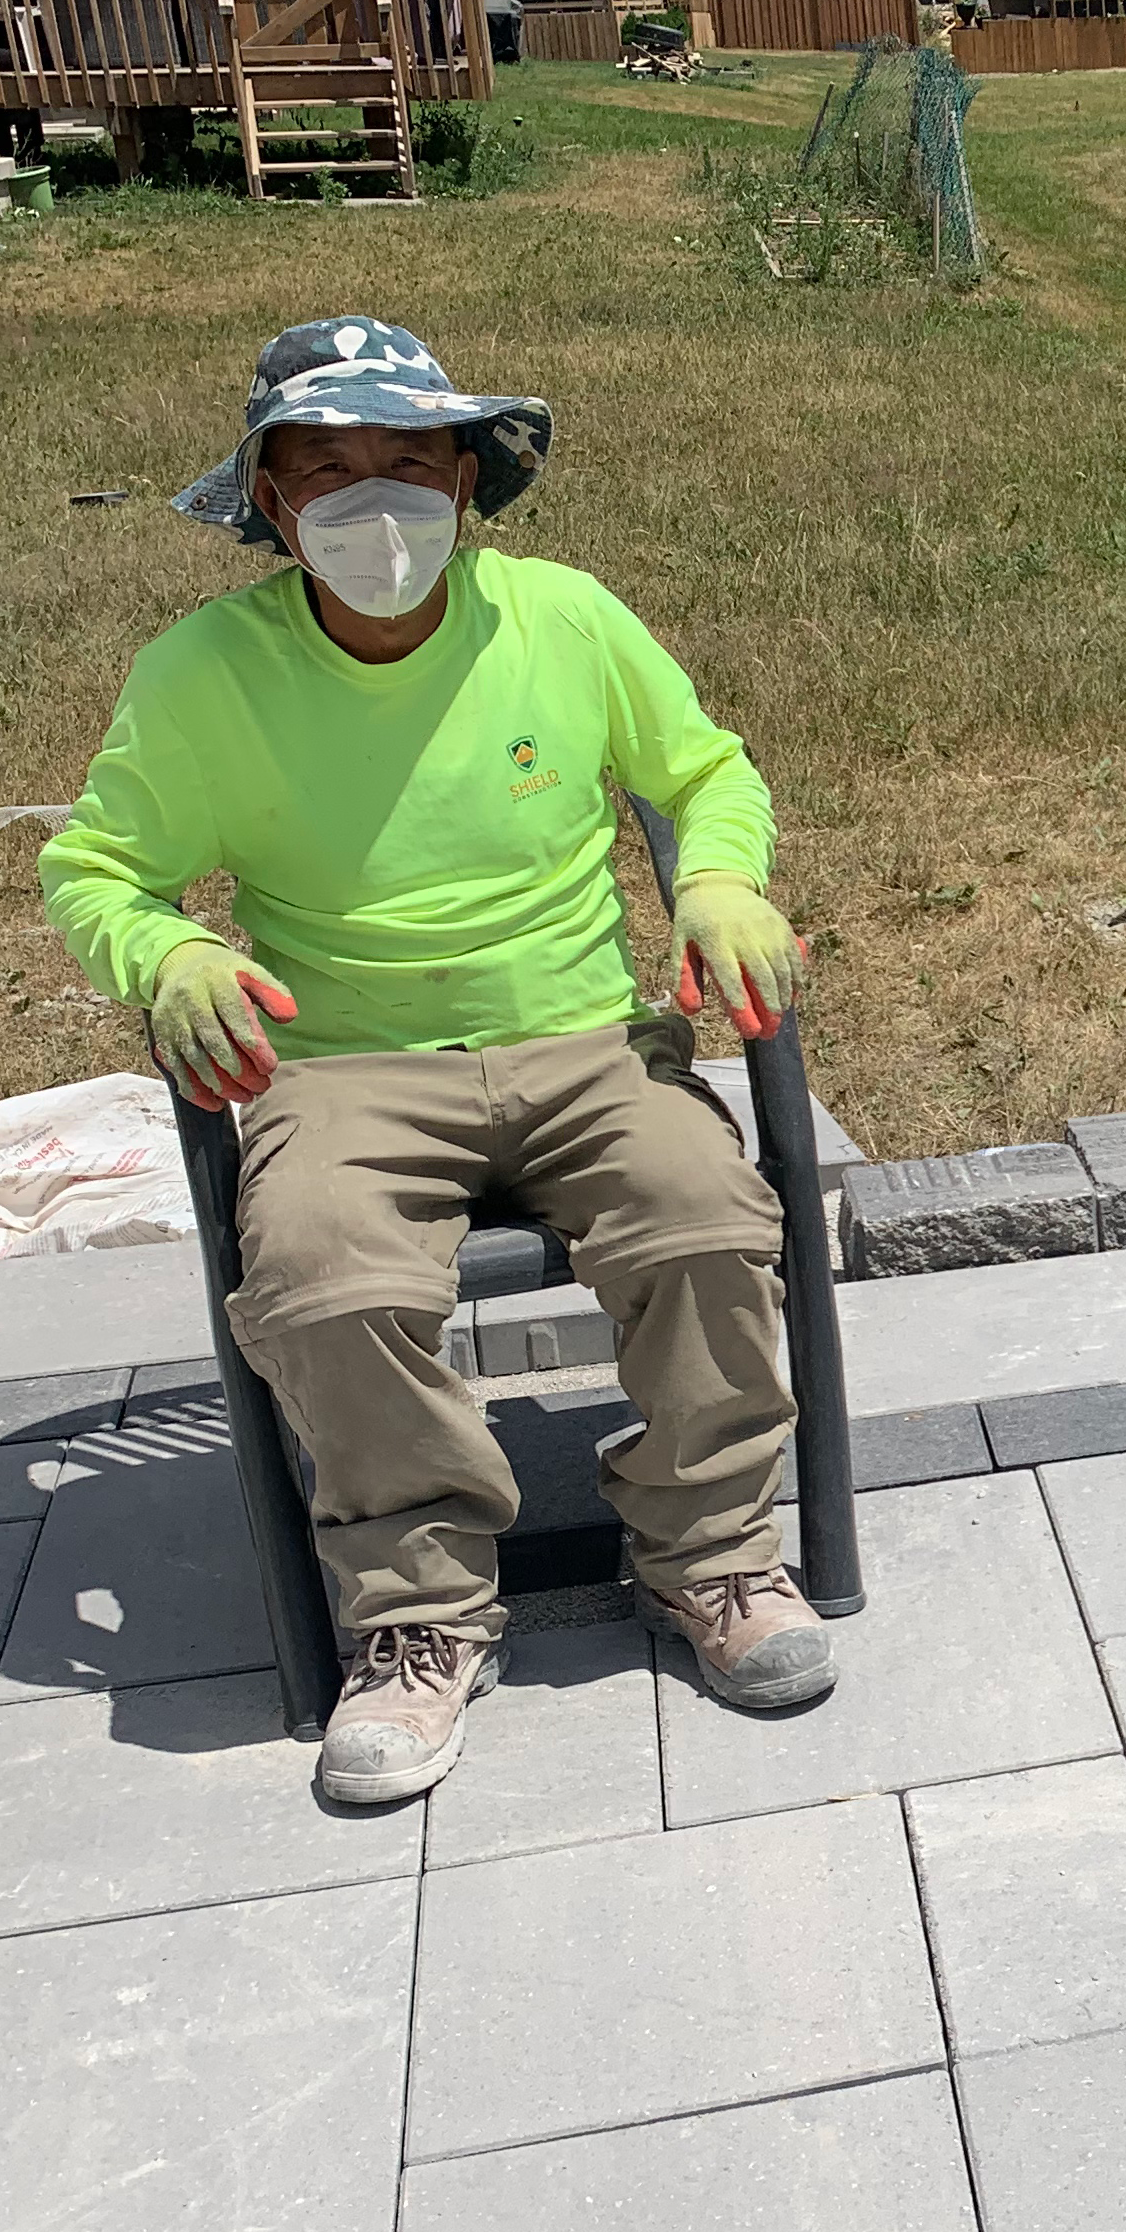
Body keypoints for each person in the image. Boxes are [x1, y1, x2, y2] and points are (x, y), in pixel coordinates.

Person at [40, 316, 837, 1805]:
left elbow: (704, 769)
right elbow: (98, 871)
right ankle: (417, 1615)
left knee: (706, 1221)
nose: (375, 502)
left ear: (468, 480)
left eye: (409, 461)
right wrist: (173, 959)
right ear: (268, 499)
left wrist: (723, 880)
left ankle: (715, 1553)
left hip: (584, 1036)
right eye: (325, 469)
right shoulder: (205, 673)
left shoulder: (563, 617)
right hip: (344, 1065)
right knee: (322, 1280)